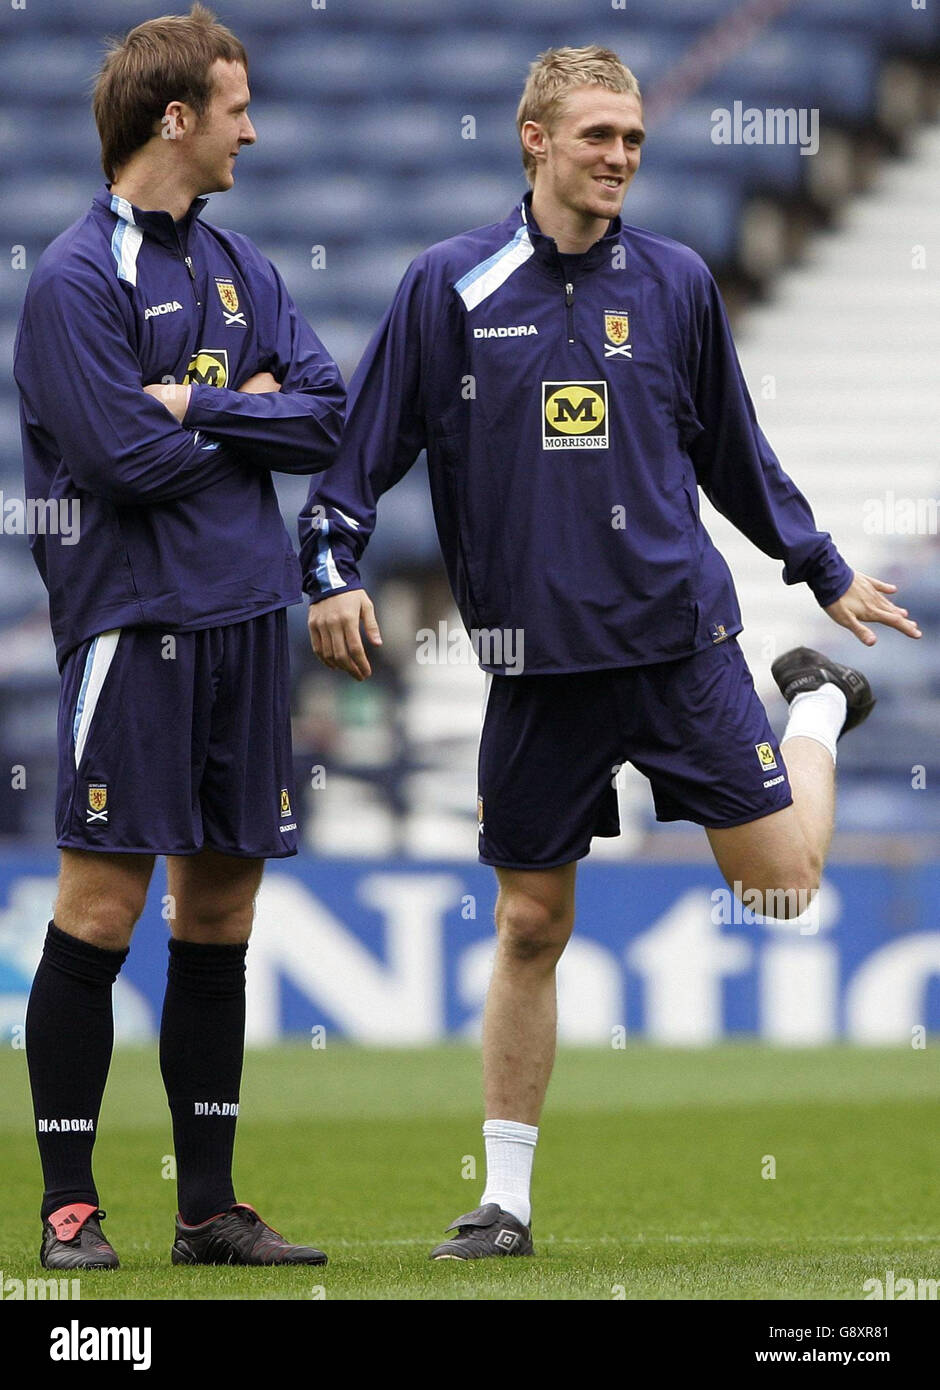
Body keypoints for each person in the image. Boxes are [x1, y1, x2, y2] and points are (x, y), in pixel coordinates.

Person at [299, 45, 920, 1260]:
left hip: (680, 647)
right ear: (534, 140)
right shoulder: (448, 286)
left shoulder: (678, 282)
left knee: (782, 887)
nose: (622, 158)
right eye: (598, 137)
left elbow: (735, 453)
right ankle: (506, 1204)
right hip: (535, 671)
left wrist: (822, 568)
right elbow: (357, 454)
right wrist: (328, 568)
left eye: (633, 139)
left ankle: (815, 714)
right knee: (531, 924)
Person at [14, 4, 344, 1270]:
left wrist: (203, 399)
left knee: (220, 914)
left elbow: (325, 416)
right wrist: (240, 414)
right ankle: (69, 1206)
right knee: (103, 905)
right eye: (236, 107)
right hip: (133, 625)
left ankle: (206, 1208)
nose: (251, 130)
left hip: (249, 623)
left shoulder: (242, 266)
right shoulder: (69, 282)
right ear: (176, 118)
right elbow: (122, 460)